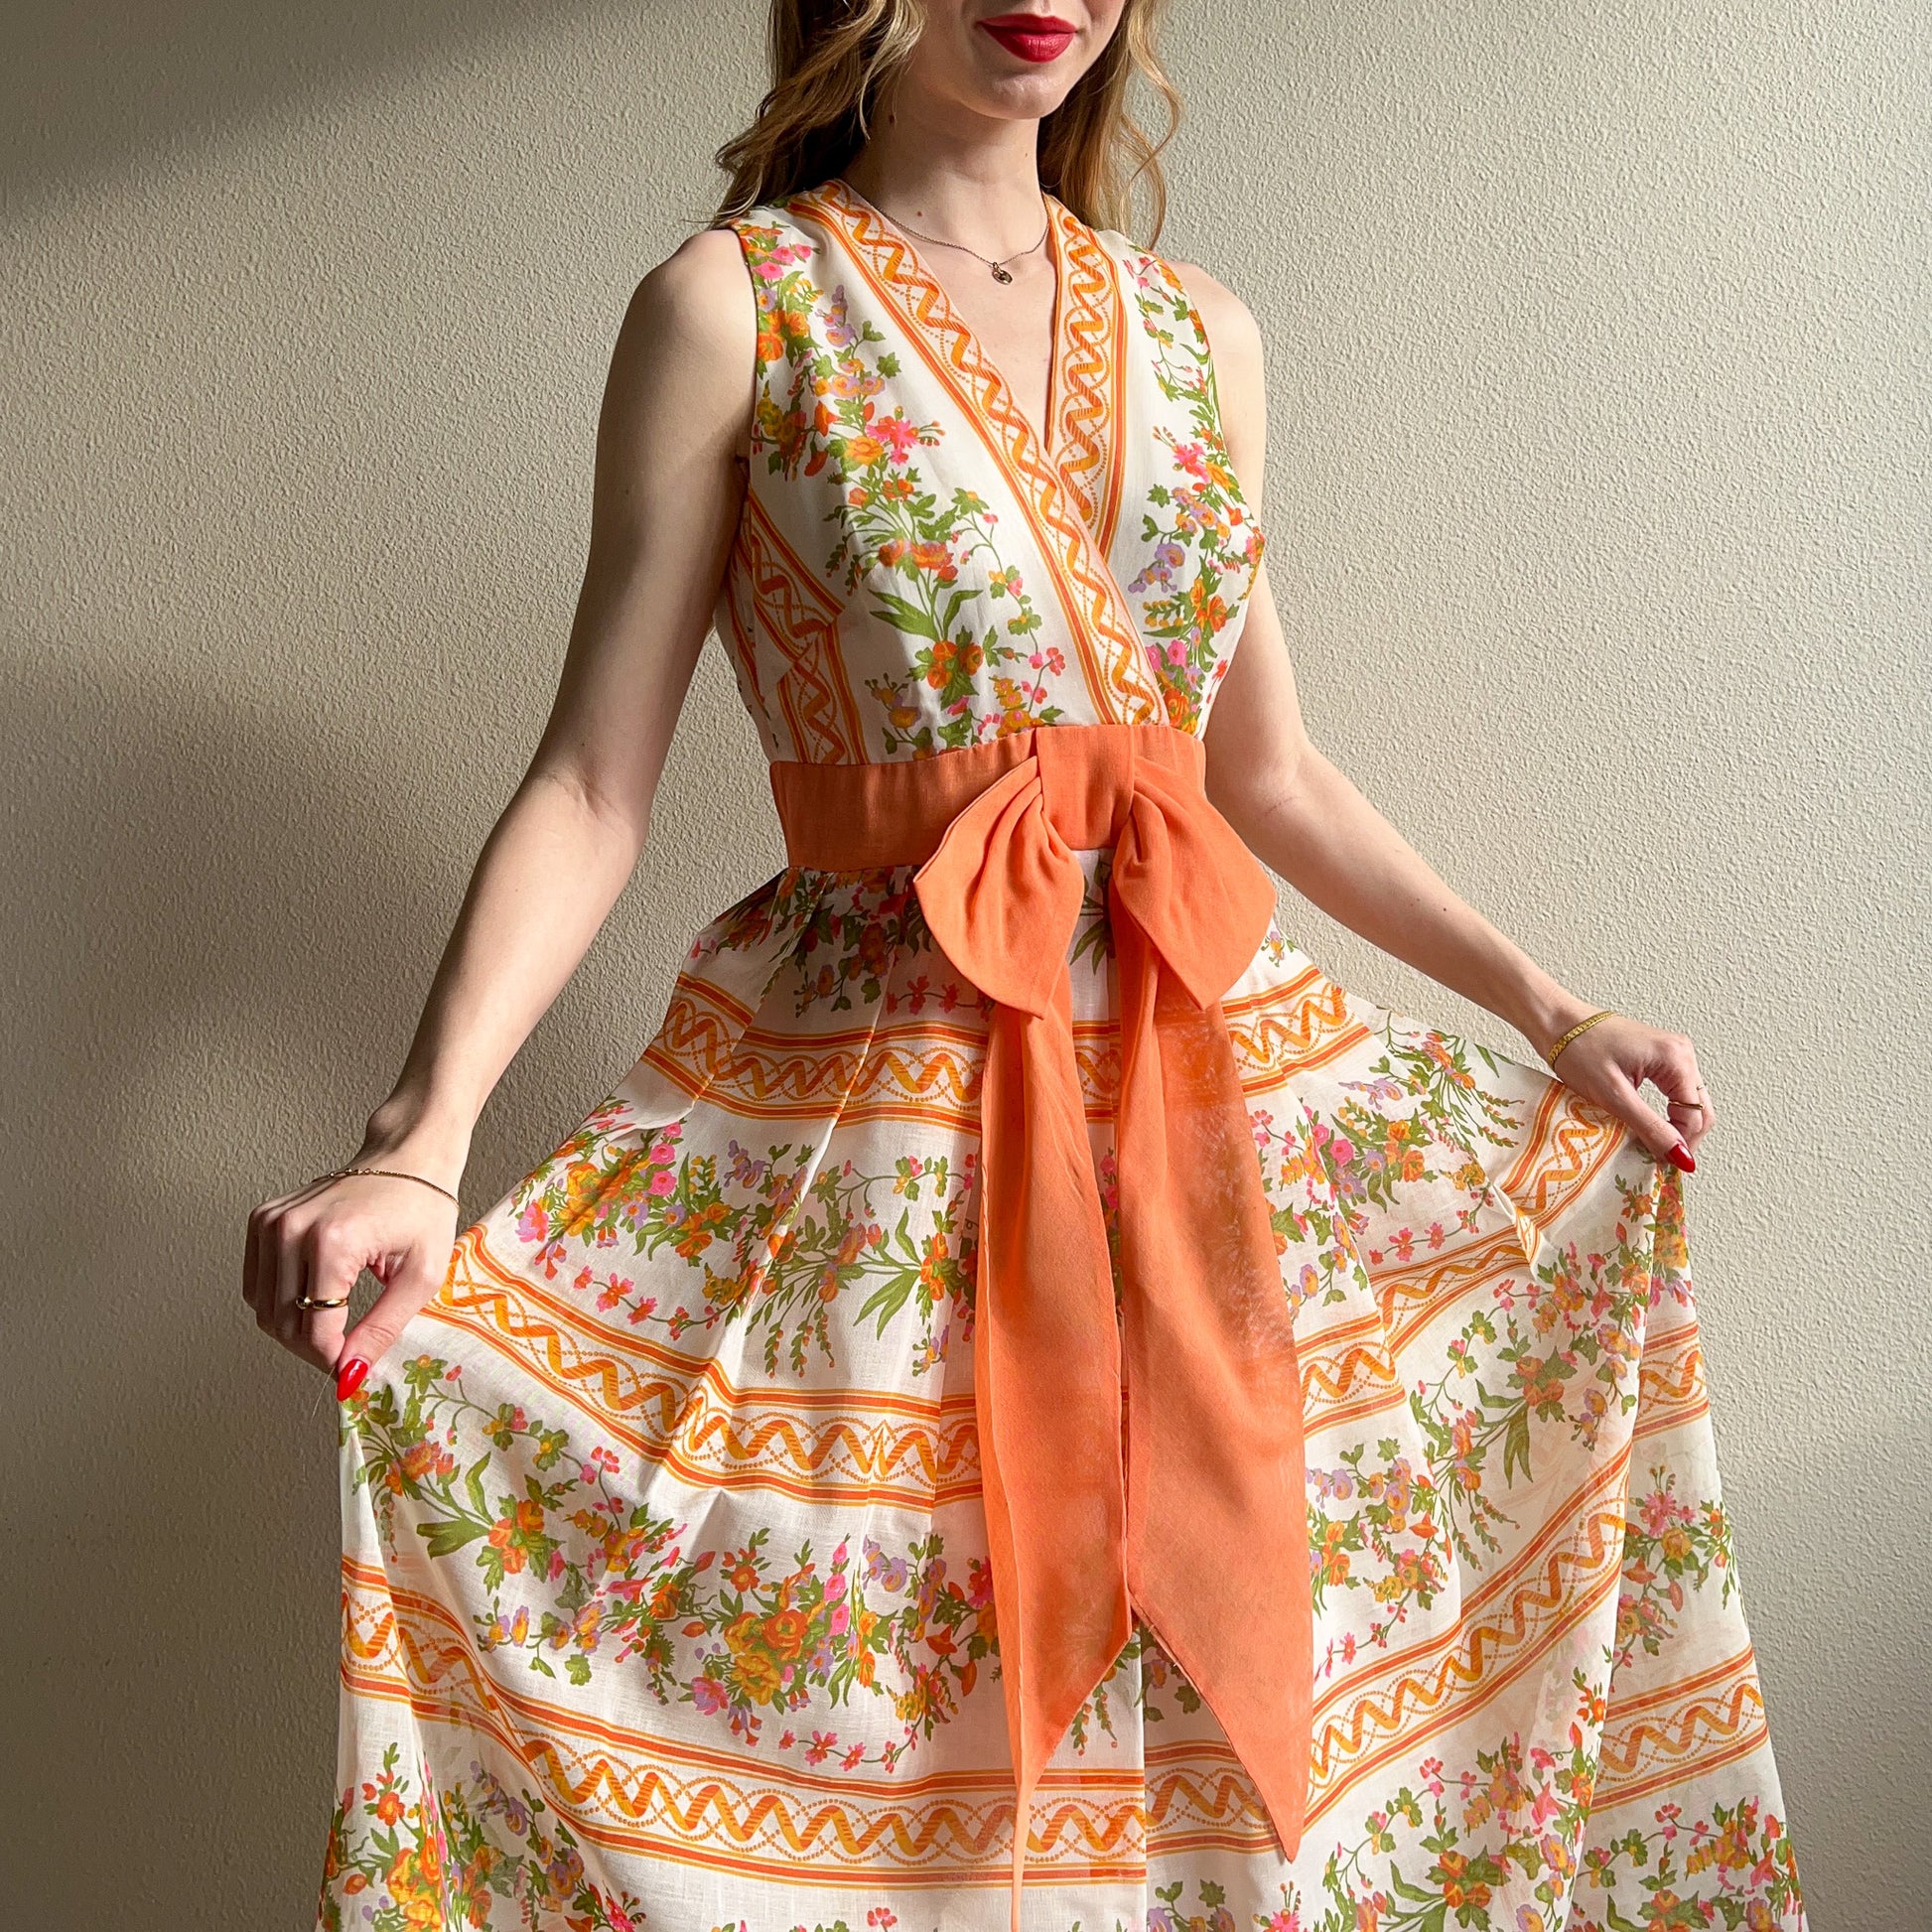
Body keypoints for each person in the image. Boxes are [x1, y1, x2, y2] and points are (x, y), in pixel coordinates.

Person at [244, 4, 1806, 1927]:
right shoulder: (734, 305)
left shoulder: (1200, 331)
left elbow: (1263, 773)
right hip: (882, 1131)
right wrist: (417, 1144)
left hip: (1206, 1101)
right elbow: (589, 780)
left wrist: (1552, 1012)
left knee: (1262, 1721)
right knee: (907, 1731)